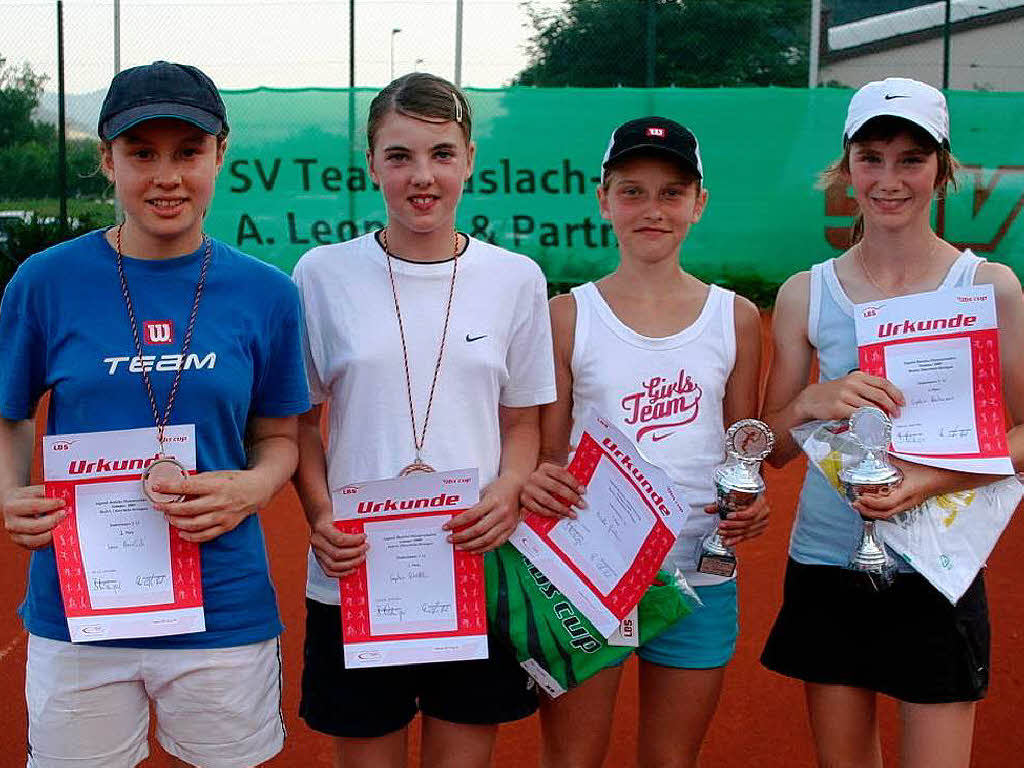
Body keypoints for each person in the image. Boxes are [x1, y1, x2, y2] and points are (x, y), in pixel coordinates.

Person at [0, 61, 310, 768]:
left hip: (223, 608)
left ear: (219, 156)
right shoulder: (44, 283)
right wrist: (10, 492)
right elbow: (10, 413)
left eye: (187, 152)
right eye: (142, 153)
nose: (166, 176)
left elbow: (281, 436)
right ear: (106, 160)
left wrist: (253, 487)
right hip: (81, 609)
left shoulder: (267, 293)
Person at [290, 72, 556, 768]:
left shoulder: (516, 278)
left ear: (469, 159)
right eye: (400, 156)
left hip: (474, 568)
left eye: (441, 154)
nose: (422, 177)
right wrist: (321, 514)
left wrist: (509, 489)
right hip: (356, 574)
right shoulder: (321, 274)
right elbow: (299, 424)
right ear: (372, 163)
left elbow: (522, 420)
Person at [760, 77, 1024, 768]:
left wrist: (929, 479)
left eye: (911, 159)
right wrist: (814, 402)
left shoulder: (988, 287)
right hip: (825, 561)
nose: (889, 179)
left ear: (942, 169)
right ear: (846, 167)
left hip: (938, 563)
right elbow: (772, 447)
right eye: (871, 157)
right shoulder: (803, 293)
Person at [519, 117, 770, 768]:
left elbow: (741, 456)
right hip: (586, 575)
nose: (652, 209)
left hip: (699, 576)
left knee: (671, 759)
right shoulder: (567, 315)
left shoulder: (736, 317)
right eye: (632, 191)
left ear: (698, 204)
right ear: (602, 201)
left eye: (671, 193)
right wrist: (541, 481)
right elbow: (549, 457)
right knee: (573, 759)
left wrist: (750, 501)